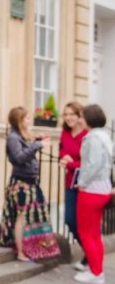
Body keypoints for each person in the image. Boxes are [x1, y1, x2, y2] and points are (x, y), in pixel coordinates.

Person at [0, 106, 51, 261]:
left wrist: (37, 141)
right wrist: (37, 145)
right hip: (21, 184)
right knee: (21, 218)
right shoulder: (13, 138)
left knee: (30, 217)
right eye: (26, 118)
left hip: (31, 182)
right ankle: (20, 252)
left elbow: (26, 152)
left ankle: (29, 249)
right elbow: (19, 158)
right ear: (19, 121)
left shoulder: (21, 136)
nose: (29, 120)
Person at [74, 104, 113, 284]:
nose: (79, 120)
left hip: (91, 191)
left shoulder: (92, 138)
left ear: (89, 119)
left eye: (81, 116)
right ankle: (97, 271)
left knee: (86, 234)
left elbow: (93, 164)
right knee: (95, 234)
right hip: (103, 189)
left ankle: (96, 274)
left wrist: (82, 182)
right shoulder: (104, 136)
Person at [59, 101, 89, 270]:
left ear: (79, 116)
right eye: (66, 114)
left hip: (85, 185)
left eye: (72, 114)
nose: (68, 118)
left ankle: (90, 256)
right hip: (70, 183)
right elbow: (62, 151)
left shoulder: (86, 135)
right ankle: (89, 252)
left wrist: (69, 164)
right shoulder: (65, 133)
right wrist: (64, 157)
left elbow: (88, 163)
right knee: (70, 220)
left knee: (85, 223)